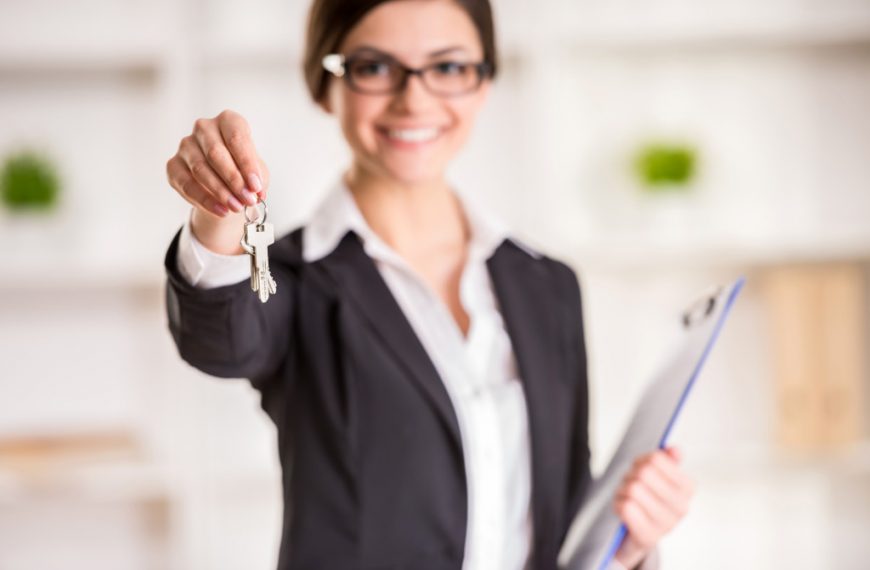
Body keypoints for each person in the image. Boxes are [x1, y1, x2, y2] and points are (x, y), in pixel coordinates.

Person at [163, 1, 695, 568]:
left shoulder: (547, 286)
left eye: (448, 68)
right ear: (324, 84)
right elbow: (220, 341)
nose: (414, 98)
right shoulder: (294, 276)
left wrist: (629, 547)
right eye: (373, 66)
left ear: (484, 82)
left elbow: (560, 509)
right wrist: (220, 208)